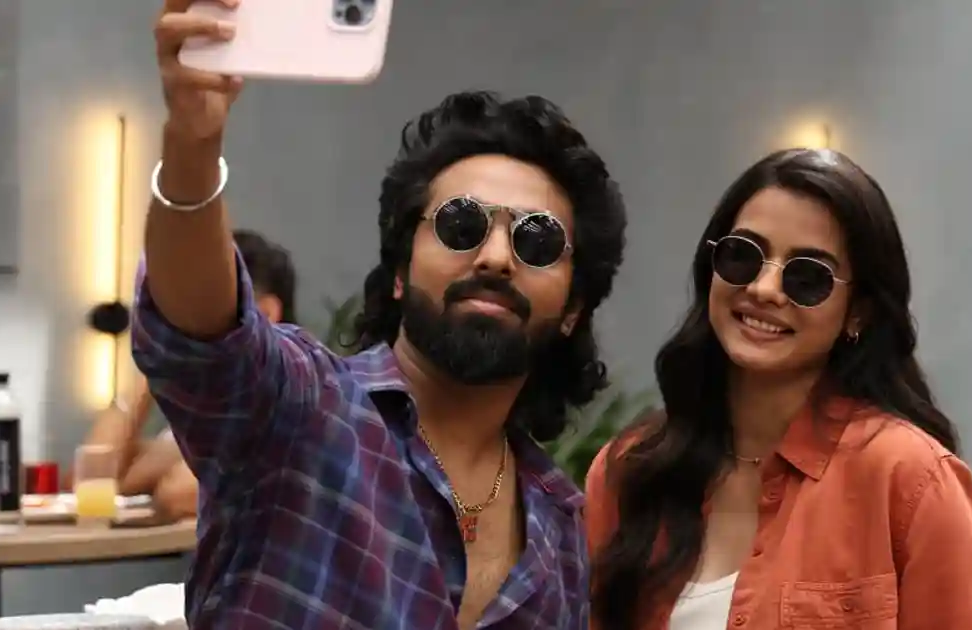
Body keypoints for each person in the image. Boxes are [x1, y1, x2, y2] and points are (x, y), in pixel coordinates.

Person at [132, 2, 626, 628]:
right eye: (461, 225)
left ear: (573, 308)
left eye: (538, 241)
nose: (496, 257)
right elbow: (201, 335)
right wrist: (192, 144)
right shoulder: (301, 410)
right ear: (399, 271)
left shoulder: (559, 527)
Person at [585, 149, 972, 629]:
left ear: (858, 312)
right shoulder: (629, 473)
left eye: (807, 277)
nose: (764, 289)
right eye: (743, 255)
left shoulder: (909, 478)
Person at [79, 228, 297, 519]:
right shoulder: (213, 415)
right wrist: (152, 367)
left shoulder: (290, 401)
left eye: (205, 303)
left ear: (265, 313)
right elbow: (97, 480)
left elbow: (177, 493)